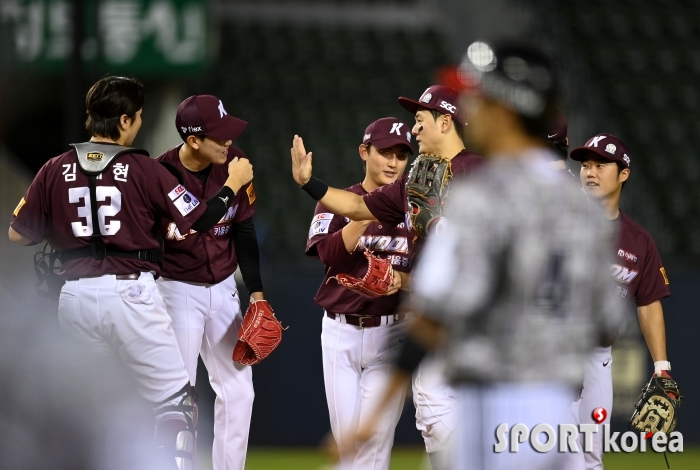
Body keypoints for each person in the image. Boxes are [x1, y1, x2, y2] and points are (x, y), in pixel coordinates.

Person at [340, 41, 624, 470]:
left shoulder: (484, 196)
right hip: (556, 419)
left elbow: (432, 317)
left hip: (493, 416)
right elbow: (605, 323)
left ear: (508, 109)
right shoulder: (582, 208)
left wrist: (374, 415)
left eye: (480, 97)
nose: (470, 108)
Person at [8, 76, 252, 470]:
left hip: (74, 299)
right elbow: (202, 219)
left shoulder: (54, 168)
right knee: (175, 403)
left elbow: (17, 234)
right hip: (130, 294)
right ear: (124, 121)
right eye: (136, 117)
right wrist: (233, 186)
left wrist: (73, 234)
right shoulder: (143, 169)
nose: (138, 123)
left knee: (84, 407)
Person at [292, 85, 483, 466]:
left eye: (419, 121)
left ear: (445, 122)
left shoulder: (480, 173)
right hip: (423, 319)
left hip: (468, 320)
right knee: (431, 419)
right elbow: (359, 205)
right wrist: (308, 184)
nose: (414, 131)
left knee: (447, 422)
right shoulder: (418, 177)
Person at [155, 94, 264, 470]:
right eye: (219, 136)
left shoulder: (233, 162)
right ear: (193, 140)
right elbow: (199, 219)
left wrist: (258, 294)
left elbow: (244, 230)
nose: (229, 142)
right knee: (179, 395)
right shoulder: (162, 173)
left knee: (239, 393)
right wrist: (232, 184)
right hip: (175, 289)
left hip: (223, 288)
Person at [305, 117, 413, 470]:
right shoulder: (337, 201)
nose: (393, 162)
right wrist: (367, 212)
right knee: (346, 444)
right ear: (364, 152)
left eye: (401, 154)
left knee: (375, 446)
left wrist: (402, 281)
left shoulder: (417, 211)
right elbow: (330, 258)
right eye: (384, 152)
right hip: (341, 332)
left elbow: (431, 274)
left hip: (392, 332)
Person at [566, 133, 672, 470]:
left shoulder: (638, 241)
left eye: (600, 165)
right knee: (551, 453)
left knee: (591, 458)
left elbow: (648, 302)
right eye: (585, 165)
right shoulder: (558, 218)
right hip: (553, 351)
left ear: (623, 174)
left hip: (598, 359)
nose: (590, 172)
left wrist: (661, 367)